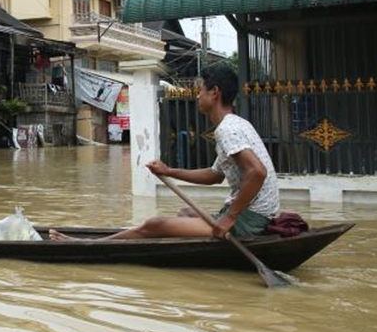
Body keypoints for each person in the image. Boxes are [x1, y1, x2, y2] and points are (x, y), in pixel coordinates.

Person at [51, 64, 279, 241]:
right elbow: (215, 175)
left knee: (154, 225)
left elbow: (257, 172)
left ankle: (89, 244)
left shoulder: (227, 129)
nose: (197, 96)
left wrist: (229, 218)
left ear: (215, 93)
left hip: (249, 219)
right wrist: (168, 171)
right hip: (248, 213)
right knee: (186, 213)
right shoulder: (234, 123)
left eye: (200, 90)